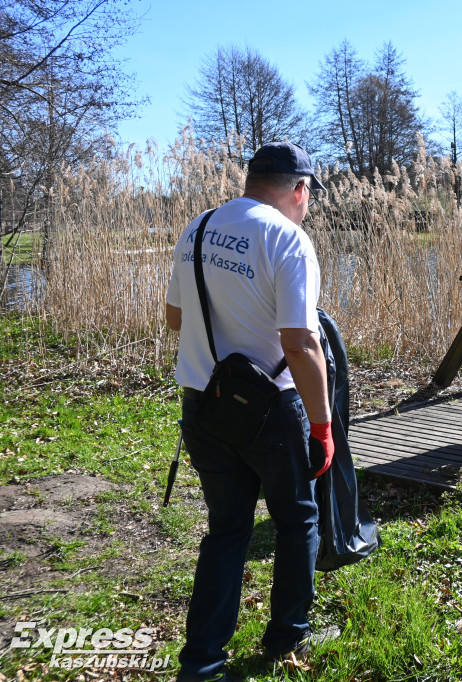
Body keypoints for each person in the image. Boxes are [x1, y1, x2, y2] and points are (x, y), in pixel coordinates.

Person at [165, 141, 333, 682]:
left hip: (203, 404)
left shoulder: (198, 227)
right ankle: (288, 635)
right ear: (299, 189)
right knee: (297, 520)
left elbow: (175, 318)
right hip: (272, 412)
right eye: (309, 195)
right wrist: (323, 426)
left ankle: (202, 660)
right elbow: (300, 343)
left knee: (226, 530)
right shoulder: (289, 239)